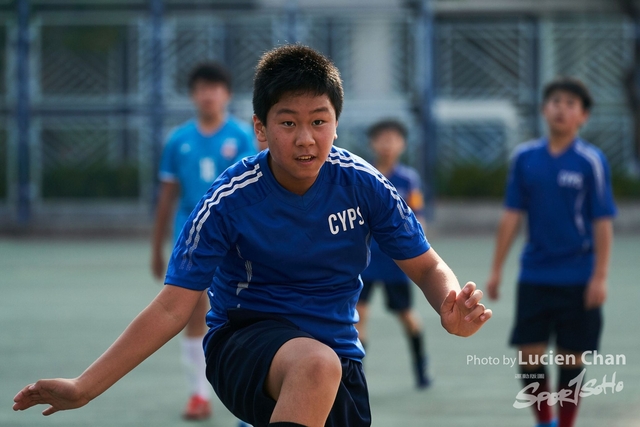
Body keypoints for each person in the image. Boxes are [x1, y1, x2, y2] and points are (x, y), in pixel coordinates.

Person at [13, 44, 492, 427]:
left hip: (339, 355)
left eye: (318, 122)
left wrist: (449, 303)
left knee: (323, 366)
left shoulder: (362, 184)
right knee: (315, 365)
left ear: (336, 125)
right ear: (260, 130)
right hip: (242, 341)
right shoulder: (229, 198)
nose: (306, 138)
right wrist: (84, 387)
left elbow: (426, 265)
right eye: (288, 123)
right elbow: (171, 306)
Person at [485, 77, 616, 427]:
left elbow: (603, 222)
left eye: (571, 104)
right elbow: (512, 215)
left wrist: (600, 277)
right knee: (529, 356)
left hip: (578, 276)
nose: (561, 108)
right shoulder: (525, 158)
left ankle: (566, 422)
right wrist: (496, 269)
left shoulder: (591, 161)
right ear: (544, 109)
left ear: (583, 116)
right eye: (555, 101)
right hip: (534, 275)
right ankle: (545, 421)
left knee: (571, 358)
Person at [150, 61, 256, 421]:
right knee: (193, 310)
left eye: (215, 88)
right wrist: (156, 247)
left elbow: (254, 191)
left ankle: (246, 400)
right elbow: (166, 195)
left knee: (240, 311)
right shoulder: (178, 140)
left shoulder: (242, 136)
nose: (208, 95)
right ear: (193, 95)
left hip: (234, 238)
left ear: (226, 94)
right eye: (201, 88)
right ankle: (199, 394)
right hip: (192, 239)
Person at [356, 119, 430, 388]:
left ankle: (421, 367)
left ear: (403, 144)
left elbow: (417, 216)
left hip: (395, 261)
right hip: (365, 261)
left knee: (406, 314)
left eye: (394, 138)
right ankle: (357, 374)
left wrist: (417, 251)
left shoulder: (408, 179)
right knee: (359, 313)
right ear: (372, 143)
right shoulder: (363, 174)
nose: (387, 144)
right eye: (382, 138)